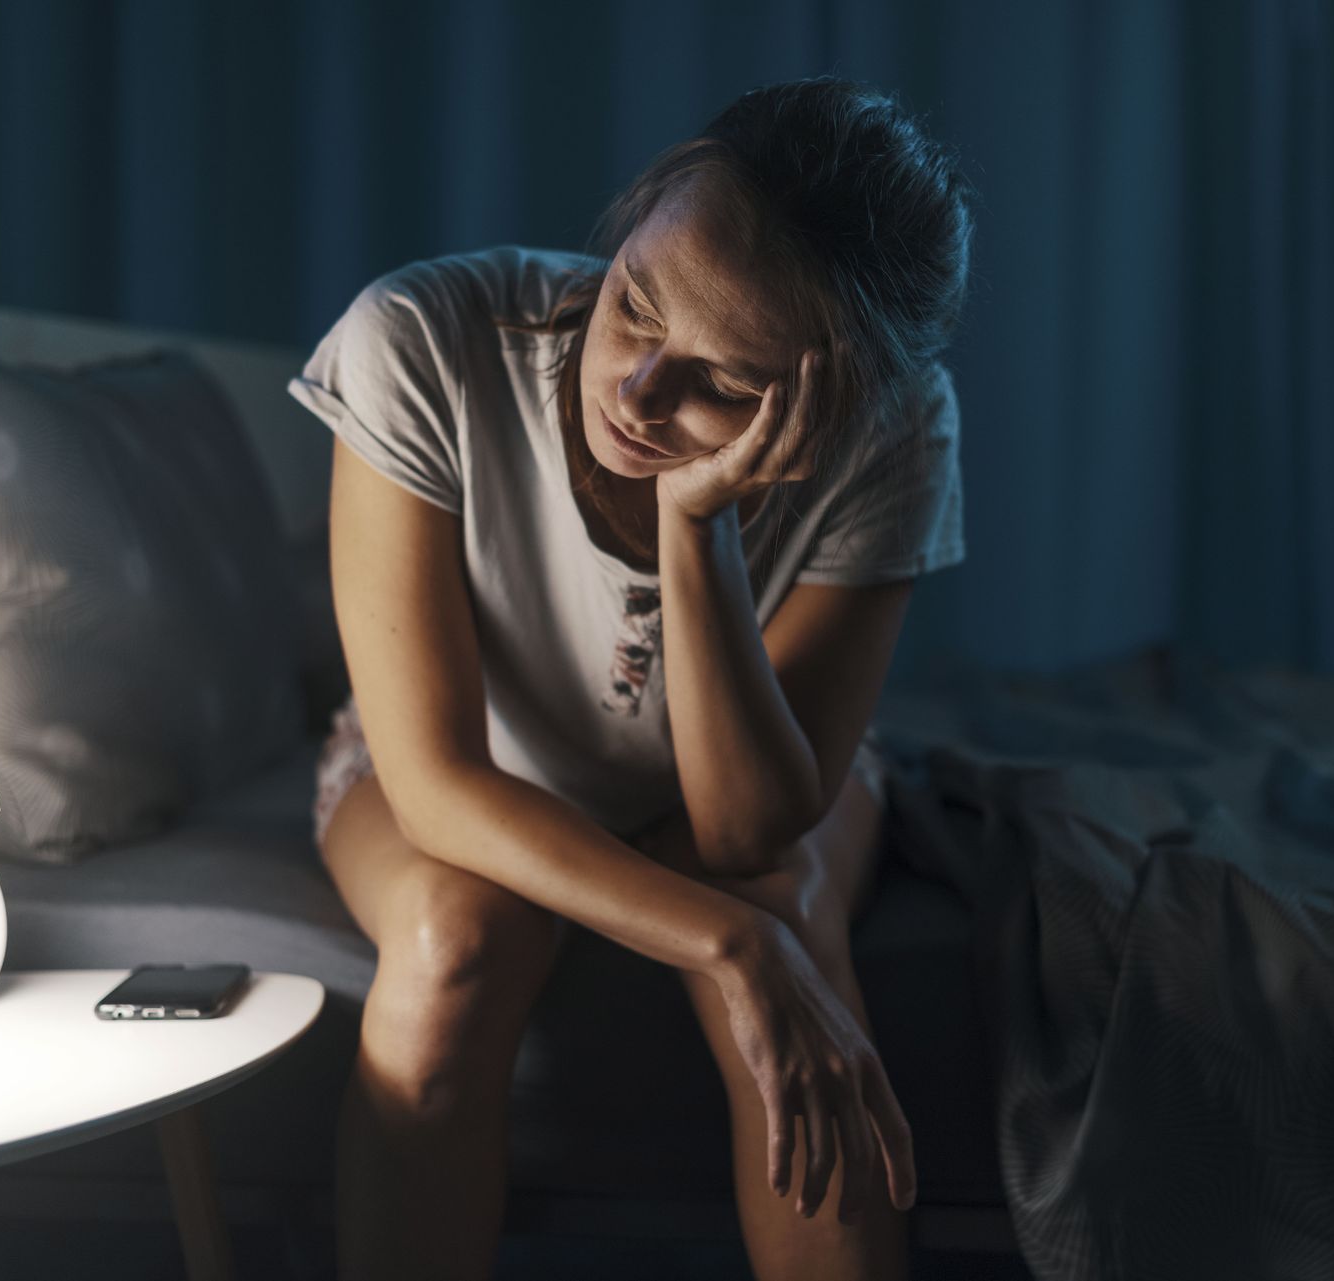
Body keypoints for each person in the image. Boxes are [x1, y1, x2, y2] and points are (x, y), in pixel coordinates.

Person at [289, 75, 974, 1281]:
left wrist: (697, 523)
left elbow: (746, 825)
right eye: (636, 302)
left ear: (834, 404)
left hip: (749, 777)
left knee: (782, 893)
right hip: (476, 761)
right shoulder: (422, 342)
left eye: (723, 385)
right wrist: (730, 949)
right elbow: (436, 783)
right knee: (455, 940)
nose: (640, 392)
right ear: (629, 225)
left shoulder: (900, 425)